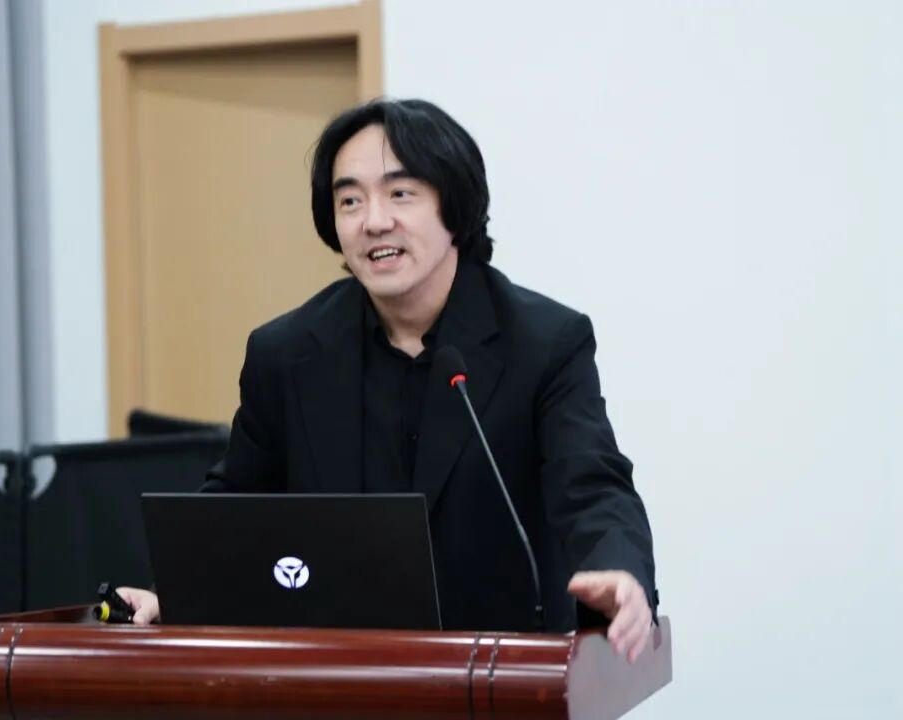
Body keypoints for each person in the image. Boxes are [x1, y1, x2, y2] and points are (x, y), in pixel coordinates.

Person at [120, 99, 658, 662]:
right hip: (341, 671)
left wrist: (620, 570)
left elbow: (592, 485)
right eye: (350, 200)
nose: (373, 221)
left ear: (454, 205)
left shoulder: (544, 343)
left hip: (503, 669)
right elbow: (235, 506)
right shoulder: (286, 353)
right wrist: (171, 593)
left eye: (400, 193)